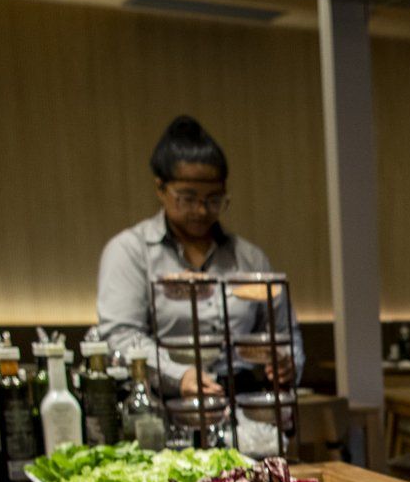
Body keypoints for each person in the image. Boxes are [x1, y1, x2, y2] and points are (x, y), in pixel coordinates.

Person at [96, 115, 302, 398]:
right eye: (188, 198)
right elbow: (120, 336)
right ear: (160, 189)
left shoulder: (249, 258)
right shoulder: (131, 251)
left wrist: (288, 364)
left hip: (244, 402)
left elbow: (284, 333)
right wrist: (180, 375)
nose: (202, 211)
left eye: (214, 199)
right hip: (167, 404)